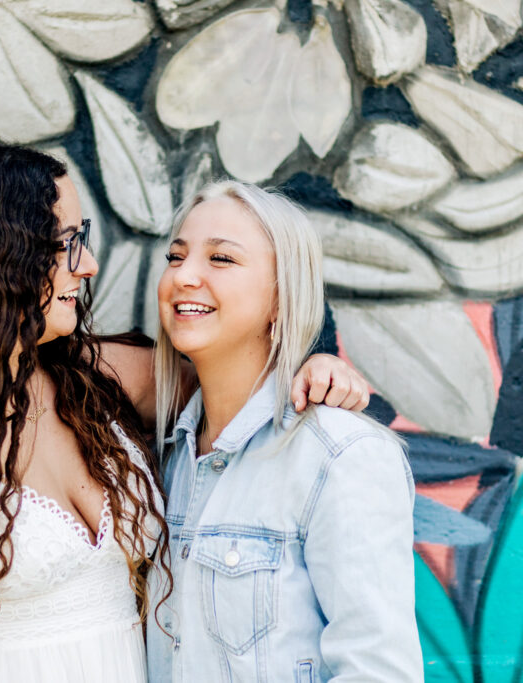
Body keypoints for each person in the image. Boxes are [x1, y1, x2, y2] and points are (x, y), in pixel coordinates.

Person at [0, 142, 369, 683]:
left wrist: (312, 362)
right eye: (68, 244)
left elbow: (240, 379)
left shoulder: (95, 378)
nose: (87, 266)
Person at [147, 181, 423, 682]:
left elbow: (377, 671)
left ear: (282, 296)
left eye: (221, 259)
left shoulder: (341, 456)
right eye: (176, 256)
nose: (184, 276)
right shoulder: (162, 458)